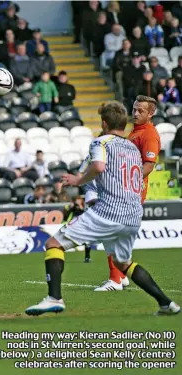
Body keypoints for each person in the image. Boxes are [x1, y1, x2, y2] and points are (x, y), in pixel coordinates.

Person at [25, 100, 180, 317]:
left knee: (53, 244)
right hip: (133, 214)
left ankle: (54, 298)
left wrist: (79, 180)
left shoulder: (101, 143)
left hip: (109, 211)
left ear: (104, 123)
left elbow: (98, 166)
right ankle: (166, 304)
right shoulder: (132, 149)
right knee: (123, 262)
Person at [95, 96, 161, 292]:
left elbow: (148, 165)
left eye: (141, 110)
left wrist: (126, 181)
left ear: (151, 113)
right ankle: (121, 276)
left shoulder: (149, 134)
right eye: (134, 109)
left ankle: (115, 280)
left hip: (131, 191)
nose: (136, 113)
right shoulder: (135, 132)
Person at [62, 195, 95, 263]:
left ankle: (87, 257)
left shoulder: (85, 207)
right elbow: (65, 217)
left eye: (79, 200)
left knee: (87, 242)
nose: (77, 201)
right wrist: (72, 208)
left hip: (83, 226)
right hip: (73, 227)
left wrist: (81, 208)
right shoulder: (72, 208)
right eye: (76, 200)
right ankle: (61, 256)